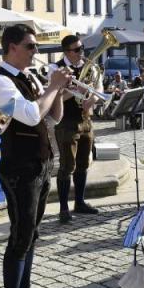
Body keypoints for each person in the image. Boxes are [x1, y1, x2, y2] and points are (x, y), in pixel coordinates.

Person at [0, 23, 71, 288]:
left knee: (32, 233)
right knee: (19, 237)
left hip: (41, 163)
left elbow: (54, 118)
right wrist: (52, 88)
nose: (36, 51)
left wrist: (58, 90)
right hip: (18, 169)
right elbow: (31, 116)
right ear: (12, 48)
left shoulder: (30, 76)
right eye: (31, 46)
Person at [49, 35, 99, 224]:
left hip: (86, 120)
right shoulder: (56, 69)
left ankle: (79, 202)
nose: (81, 53)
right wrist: (73, 91)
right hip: (66, 122)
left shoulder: (90, 67)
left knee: (83, 163)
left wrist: (92, 99)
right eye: (76, 50)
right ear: (66, 51)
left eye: (82, 48)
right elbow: (55, 98)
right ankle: (63, 208)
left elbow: (97, 87)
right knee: (67, 166)